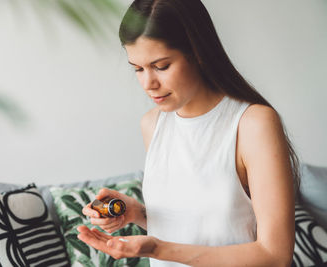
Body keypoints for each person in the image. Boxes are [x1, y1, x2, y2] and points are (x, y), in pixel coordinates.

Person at [77, 0, 299, 266]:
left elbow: (275, 256)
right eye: (137, 69)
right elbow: (198, 227)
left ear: (199, 52)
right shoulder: (152, 125)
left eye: (161, 66)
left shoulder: (252, 124)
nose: (149, 83)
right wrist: (137, 214)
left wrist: (157, 249)